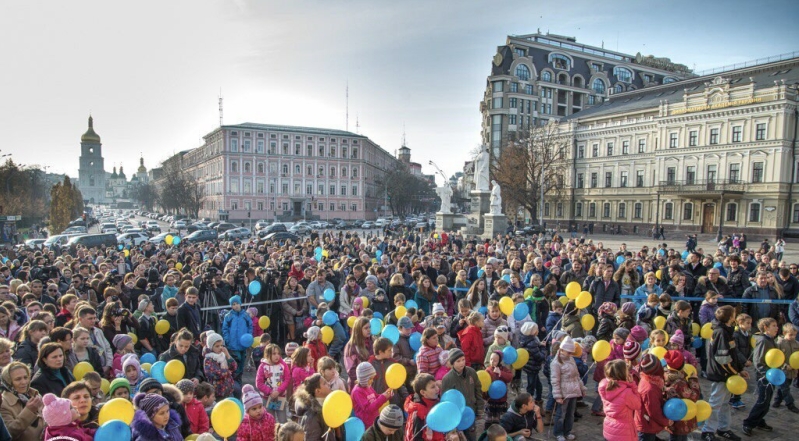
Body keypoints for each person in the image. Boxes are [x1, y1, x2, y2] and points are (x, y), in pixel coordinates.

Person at [702, 305, 748, 441]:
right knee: (716, 403)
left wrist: (739, 369)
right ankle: (707, 431)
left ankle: (723, 428)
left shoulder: (727, 331)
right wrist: (736, 372)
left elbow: (732, 353)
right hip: (721, 374)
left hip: (727, 374)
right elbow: (723, 359)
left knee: (725, 403)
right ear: (730, 317)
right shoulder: (721, 332)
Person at [742, 317, 779, 436]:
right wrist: (766, 373)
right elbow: (758, 361)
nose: (777, 328)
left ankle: (759, 420)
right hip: (764, 377)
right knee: (762, 400)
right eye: (774, 326)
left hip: (771, 376)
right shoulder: (763, 341)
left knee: (767, 401)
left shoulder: (772, 340)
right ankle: (748, 423)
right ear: (766, 328)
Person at [442, 349, 485, 440]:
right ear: (452, 363)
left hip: (471, 411)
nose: (462, 363)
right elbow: (446, 401)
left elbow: (478, 389)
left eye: (463, 360)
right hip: (457, 415)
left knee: (471, 436)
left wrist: (480, 407)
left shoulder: (471, 372)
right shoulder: (447, 379)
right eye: (458, 361)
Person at [550, 336, 585, 441]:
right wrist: (558, 396)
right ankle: (558, 432)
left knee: (570, 414)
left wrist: (582, 388)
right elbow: (555, 381)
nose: (570, 355)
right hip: (564, 393)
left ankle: (567, 431)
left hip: (573, 391)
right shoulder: (555, 363)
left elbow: (577, 376)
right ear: (562, 350)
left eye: (571, 353)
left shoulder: (571, 360)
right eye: (569, 352)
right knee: (561, 414)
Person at [0, 361, 45, 440]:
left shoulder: (34, 395)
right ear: (9, 382)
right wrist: (29, 411)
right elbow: (9, 433)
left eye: (25, 377)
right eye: (18, 379)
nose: (24, 382)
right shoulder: (4, 403)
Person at [598, 359, 641, 441]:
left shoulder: (603, 386)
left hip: (609, 428)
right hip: (624, 433)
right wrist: (632, 385)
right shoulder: (626, 393)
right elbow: (638, 404)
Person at [635, 354, 671, 441]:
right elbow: (654, 412)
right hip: (646, 426)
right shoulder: (650, 389)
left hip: (647, 423)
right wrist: (666, 422)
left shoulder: (648, 379)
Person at [294, 374, 337, 441]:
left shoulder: (326, 405)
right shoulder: (312, 415)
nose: (329, 384)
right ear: (318, 391)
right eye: (325, 383)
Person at [404, 373, 444, 441]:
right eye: (433, 387)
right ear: (423, 392)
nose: (437, 389)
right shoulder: (418, 412)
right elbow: (416, 438)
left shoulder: (437, 403)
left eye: (436, 385)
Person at [256, 343, 289, 423]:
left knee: (283, 420)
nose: (277, 356)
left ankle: (282, 435)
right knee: (269, 420)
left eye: (278, 353)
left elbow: (287, 379)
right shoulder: (263, 366)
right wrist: (270, 391)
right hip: (267, 398)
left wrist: (279, 391)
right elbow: (259, 383)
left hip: (280, 397)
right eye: (274, 354)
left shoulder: (283, 365)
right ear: (267, 355)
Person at [222, 295, 252, 381]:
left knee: (242, 361)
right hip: (233, 344)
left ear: (240, 304)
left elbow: (250, 326)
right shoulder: (228, 316)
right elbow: (225, 329)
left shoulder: (246, 315)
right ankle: (235, 378)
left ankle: (239, 377)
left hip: (243, 344)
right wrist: (227, 339)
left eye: (237, 303)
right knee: (236, 361)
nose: (235, 306)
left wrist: (249, 337)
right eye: (233, 304)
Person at [352, 362, 390, 427]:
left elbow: (376, 397)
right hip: (365, 424)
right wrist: (383, 397)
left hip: (373, 421)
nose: (372, 381)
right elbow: (368, 409)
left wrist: (386, 395)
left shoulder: (368, 386)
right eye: (370, 378)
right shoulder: (357, 391)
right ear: (363, 378)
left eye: (372, 378)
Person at [774, 323, 799, 412]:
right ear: (784, 333)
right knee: (785, 388)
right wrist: (784, 365)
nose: (793, 337)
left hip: (792, 370)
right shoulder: (779, 343)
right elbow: (776, 357)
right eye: (791, 335)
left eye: (795, 335)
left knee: (785, 386)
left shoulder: (796, 344)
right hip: (782, 370)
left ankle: (777, 400)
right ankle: (790, 404)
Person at [343, 317, 372, 390]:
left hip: (371, 382)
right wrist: (362, 381)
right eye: (366, 328)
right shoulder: (351, 346)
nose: (369, 330)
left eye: (369, 327)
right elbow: (351, 369)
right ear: (359, 330)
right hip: (358, 385)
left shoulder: (372, 342)